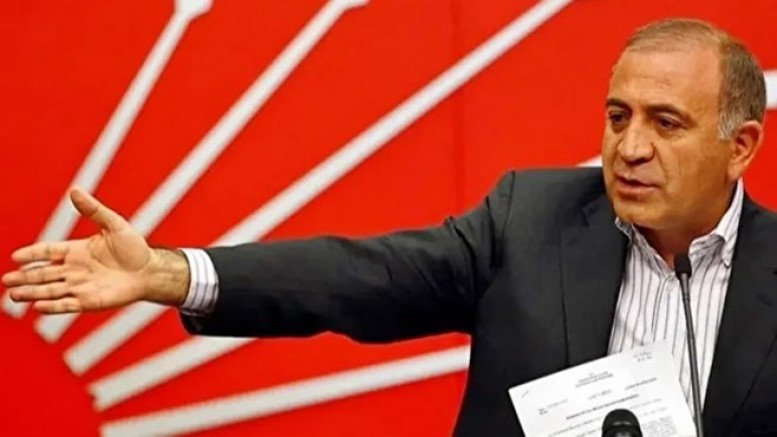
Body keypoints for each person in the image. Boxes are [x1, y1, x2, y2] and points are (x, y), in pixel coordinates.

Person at [3, 18, 775, 436]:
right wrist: (167, 272)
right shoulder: (532, 220)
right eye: (616, 116)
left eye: (664, 123)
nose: (629, 147)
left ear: (738, 146)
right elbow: (362, 276)